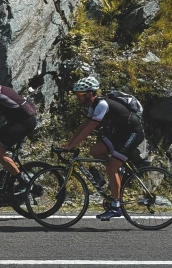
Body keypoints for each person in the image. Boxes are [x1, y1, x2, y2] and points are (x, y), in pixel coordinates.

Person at [62, 76, 145, 220]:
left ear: (89, 94)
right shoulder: (92, 106)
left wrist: (72, 146)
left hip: (133, 133)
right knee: (95, 151)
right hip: (120, 133)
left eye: (79, 95)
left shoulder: (102, 105)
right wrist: (69, 143)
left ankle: (115, 206)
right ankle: (115, 173)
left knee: (111, 168)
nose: (77, 98)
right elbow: (83, 125)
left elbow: (89, 129)